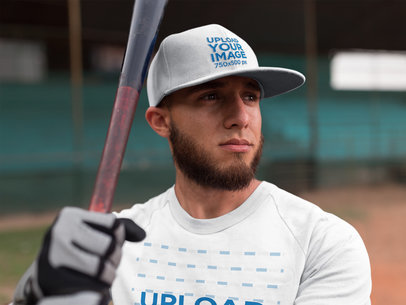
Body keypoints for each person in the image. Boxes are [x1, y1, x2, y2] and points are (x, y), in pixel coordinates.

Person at [12, 24, 372, 305]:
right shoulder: (112, 247)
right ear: (160, 121)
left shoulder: (323, 243)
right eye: (211, 96)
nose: (241, 117)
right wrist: (34, 292)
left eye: (250, 95)